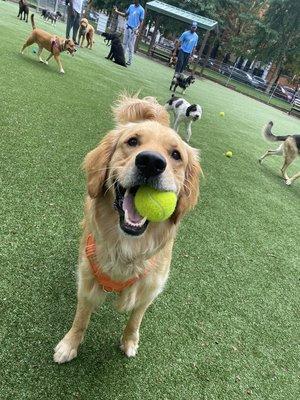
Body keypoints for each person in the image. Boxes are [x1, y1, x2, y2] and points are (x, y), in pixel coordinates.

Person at [113, 0, 145, 66]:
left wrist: (138, 30)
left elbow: (141, 22)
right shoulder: (131, 6)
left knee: (130, 46)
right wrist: (117, 11)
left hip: (133, 30)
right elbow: (125, 14)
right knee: (124, 44)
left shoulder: (142, 10)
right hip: (127, 27)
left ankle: (129, 61)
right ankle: (122, 58)